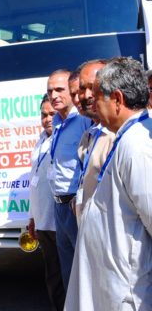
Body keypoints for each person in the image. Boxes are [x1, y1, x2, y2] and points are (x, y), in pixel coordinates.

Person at [66, 57, 152, 310]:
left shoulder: (138, 146)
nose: (91, 102)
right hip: (111, 285)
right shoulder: (125, 138)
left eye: (97, 96)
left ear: (117, 99)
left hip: (127, 289)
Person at [45, 69, 90, 291]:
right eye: (50, 91)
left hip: (75, 204)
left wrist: (80, 198)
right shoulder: (56, 121)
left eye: (59, 89)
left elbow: (89, 160)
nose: (54, 95)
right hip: (59, 205)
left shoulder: (83, 119)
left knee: (85, 272)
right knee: (68, 273)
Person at [26, 96, 65, 311]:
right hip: (43, 221)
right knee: (52, 274)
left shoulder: (64, 138)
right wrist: (32, 217)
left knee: (65, 274)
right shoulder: (41, 140)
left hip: (59, 221)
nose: (47, 119)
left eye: (52, 114)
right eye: (44, 114)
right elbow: (36, 181)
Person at [73, 60, 114, 224]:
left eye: (93, 87)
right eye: (82, 88)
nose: (87, 95)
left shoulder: (118, 135)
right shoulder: (89, 135)